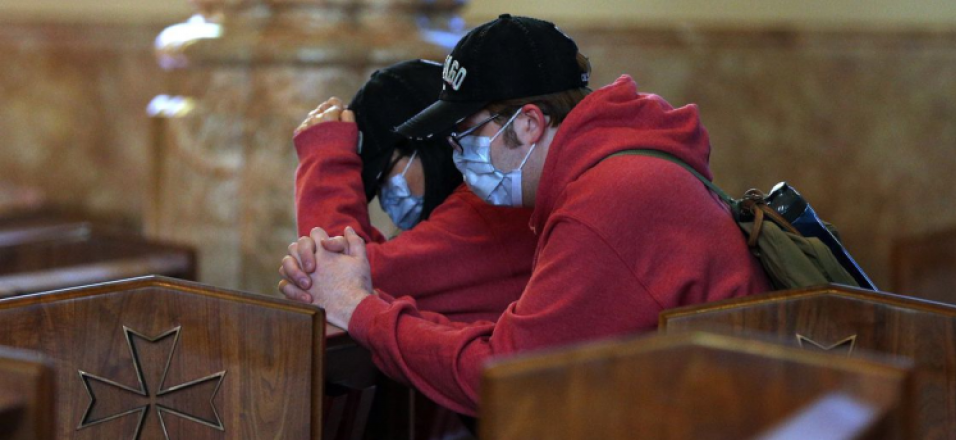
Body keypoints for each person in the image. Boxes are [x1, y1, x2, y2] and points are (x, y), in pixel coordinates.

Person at [281, 15, 772, 416]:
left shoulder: (609, 199)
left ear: (530, 123)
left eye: (466, 135)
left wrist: (359, 308)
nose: (457, 156)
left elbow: (505, 377)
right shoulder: (612, 172)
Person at [284, 59, 536, 323]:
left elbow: (340, 281)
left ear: (431, 146)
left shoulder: (484, 212)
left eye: (385, 174)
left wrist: (324, 158)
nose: (385, 198)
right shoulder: (483, 205)